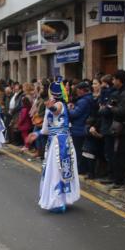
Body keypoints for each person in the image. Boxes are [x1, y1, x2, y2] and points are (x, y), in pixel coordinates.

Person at [27, 77, 80, 213]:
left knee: (59, 171)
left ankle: (59, 201)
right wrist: (37, 134)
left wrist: (51, 107)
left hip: (62, 143)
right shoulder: (49, 108)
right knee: (52, 171)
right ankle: (57, 199)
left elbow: (56, 110)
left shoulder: (60, 105)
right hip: (53, 143)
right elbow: (45, 129)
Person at [68, 81, 94, 174]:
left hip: (79, 128)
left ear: (82, 90)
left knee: (78, 150)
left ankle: (80, 168)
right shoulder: (89, 98)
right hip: (82, 127)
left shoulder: (83, 101)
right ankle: (82, 168)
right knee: (82, 150)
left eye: (78, 90)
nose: (77, 92)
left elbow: (75, 114)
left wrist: (69, 110)